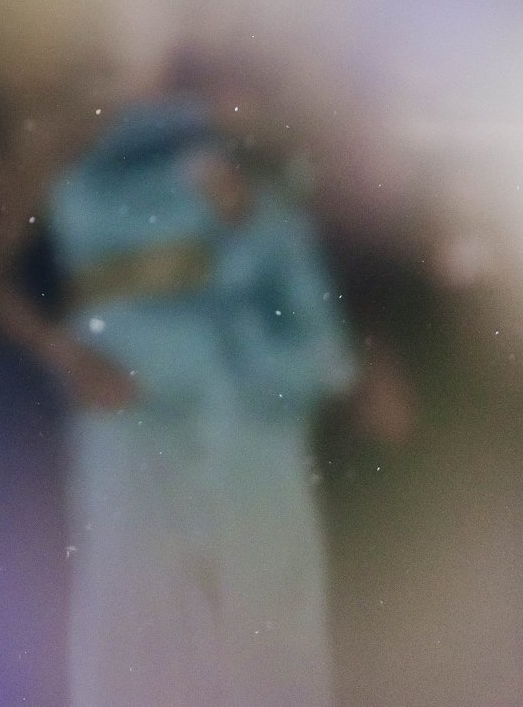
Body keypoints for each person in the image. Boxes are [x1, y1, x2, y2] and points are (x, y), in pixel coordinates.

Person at [30, 71, 353, 707]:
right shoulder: (84, 146)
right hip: (129, 417)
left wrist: (249, 225)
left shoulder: (267, 194)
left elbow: (318, 336)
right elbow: (22, 242)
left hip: (241, 422)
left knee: (258, 628)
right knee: (136, 619)